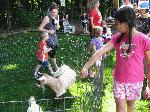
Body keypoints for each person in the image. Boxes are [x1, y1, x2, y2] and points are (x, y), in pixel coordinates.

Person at [81, 6, 150, 112]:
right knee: (120, 107)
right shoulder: (117, 37)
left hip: (135, 81)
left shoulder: (144, 40)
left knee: (131, 106)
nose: (115, 27)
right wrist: (86, 66)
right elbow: (100, 51)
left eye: (117, 24)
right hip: (119, 80)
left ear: (125, 23)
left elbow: (149, 64)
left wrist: (148, 86)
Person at [38, 2, 59, 71]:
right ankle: (55, 68)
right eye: (53, 12)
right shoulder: (47, 18)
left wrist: (58, 25)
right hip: (48, 38)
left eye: (55, 12)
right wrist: (48, 31)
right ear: (50, 12)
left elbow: (57, 28)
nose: (54, 14)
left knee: (51, 52)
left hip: (54, 37)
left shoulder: (56, 17)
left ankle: (42, 61)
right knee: (52, 53)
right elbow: (39, 28)